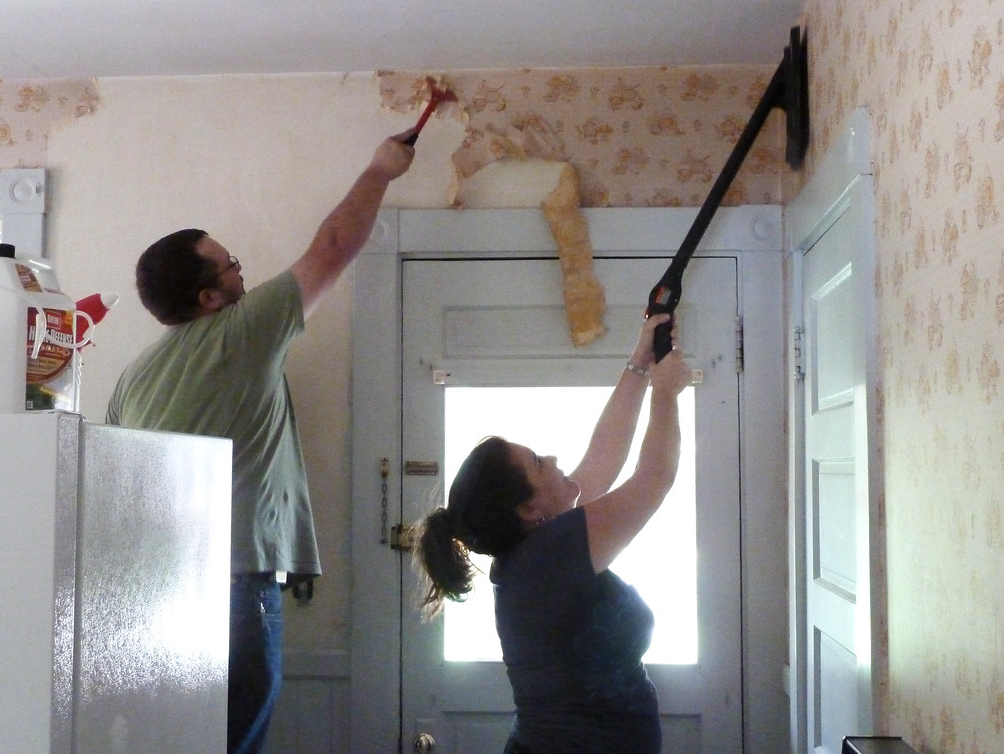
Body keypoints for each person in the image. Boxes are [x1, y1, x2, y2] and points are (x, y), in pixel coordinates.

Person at [106, 132, 414, 754]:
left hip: (149, 597)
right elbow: (333, 247)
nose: (244, 271)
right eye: (232, 265)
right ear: (209, 298)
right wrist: (380, 171)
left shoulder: (132, 378)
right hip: (233, 589)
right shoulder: (240, 333)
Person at [416, 312, 692, 754]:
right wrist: (666, 392)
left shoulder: (534, 551)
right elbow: (655, 476)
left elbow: (604, 455)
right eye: (539, 462)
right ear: (529, 509)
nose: (554, 457)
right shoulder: (546, 560)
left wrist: (641, 359)